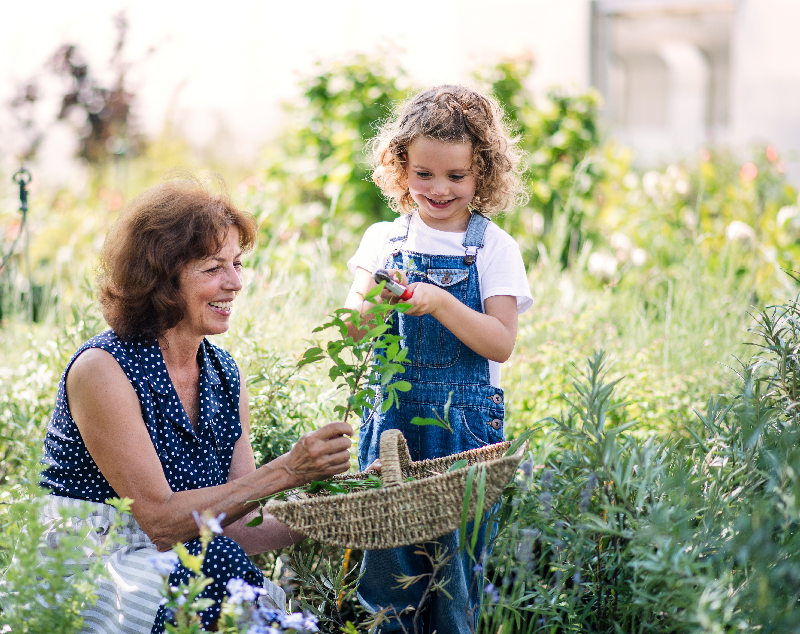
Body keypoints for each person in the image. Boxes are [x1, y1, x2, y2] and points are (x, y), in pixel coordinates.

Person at [39, 177, 354, 634]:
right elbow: (160, 523)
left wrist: (331, 515)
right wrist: (289, 470)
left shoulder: (225, 375)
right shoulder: (102, 369)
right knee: (240, 596)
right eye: (212, 269)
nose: (235, 283)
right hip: (96, 569)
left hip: (191, 565)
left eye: (237, 264)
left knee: (226, 573)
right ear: (162, 280)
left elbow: (239, 524)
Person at [343, 85, 533, 633]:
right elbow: (352, 332)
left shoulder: (494, 248)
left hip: (464, 435)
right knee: (387, 583)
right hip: (393, 432)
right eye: (424, 174)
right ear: (400, 167)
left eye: (457, 176)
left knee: (454, 583)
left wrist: (442, 302)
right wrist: (380, 297)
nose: (439, 189)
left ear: (483, 174)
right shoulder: (384, 240)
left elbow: (500, 341)